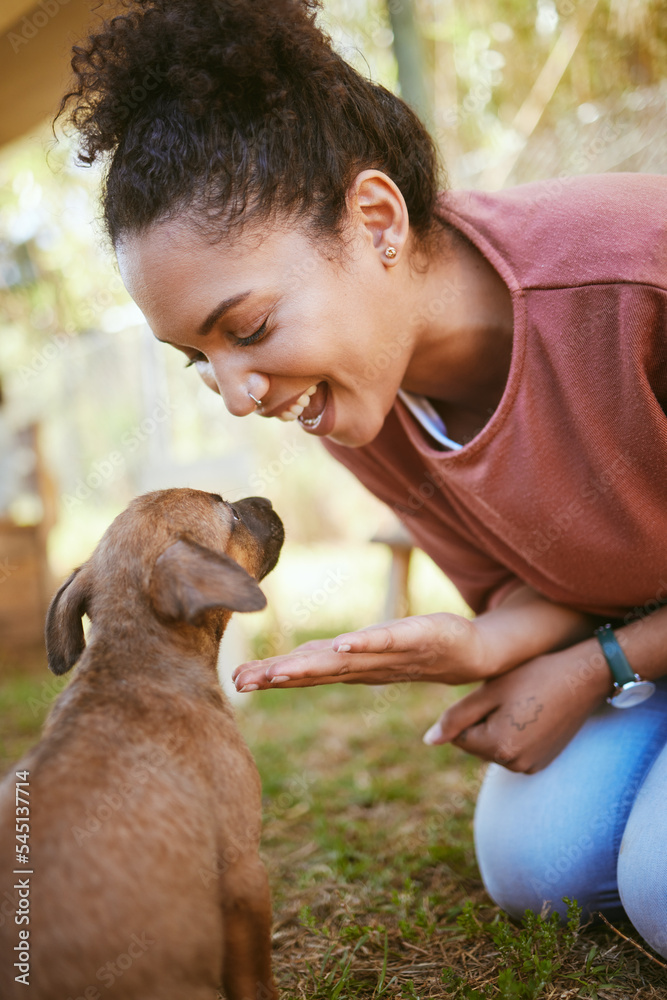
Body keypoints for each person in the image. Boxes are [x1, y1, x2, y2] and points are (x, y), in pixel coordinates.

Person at [58, 0, 667, 956]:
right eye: (196, 359)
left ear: (376, 217)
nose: (237, 394)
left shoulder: (636, 280)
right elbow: (555, 574)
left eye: (247, 329)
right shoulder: (356, 400)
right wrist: (484, 643)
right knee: (535, 868)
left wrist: (603, 665)